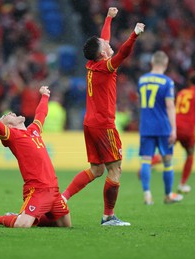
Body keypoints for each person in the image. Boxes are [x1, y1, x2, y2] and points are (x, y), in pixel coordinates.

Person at [61, 7, 145, 226]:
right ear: (103, 54)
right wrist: (134, 34)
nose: (108, 42)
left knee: (97, 169)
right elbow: (123, 54)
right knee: (115, 168)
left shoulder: (92, 65)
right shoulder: (107, 67)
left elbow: (104, 39)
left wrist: (109, 17)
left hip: (90, 122)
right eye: (105, 45)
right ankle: (108, 216)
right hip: (103, 124)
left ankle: (62, 198)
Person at [0, 86, 71, 228]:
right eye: (6, 116)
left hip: (54, 190)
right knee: (22, 225)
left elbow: (41, 113)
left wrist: (45, 96)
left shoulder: (33, 131)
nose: (11, 112)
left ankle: (20, 216)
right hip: (37, 190)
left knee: (64, 225)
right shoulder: (13, 136)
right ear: (8, 126)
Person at [137, 51, 183, 205]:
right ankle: (168, 194)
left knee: (146, 160)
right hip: (163, 126)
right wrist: (174, 129)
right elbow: (170, 106)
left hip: (146, 125)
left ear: (152, 63)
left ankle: (147, 194)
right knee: (167, 161)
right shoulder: (168, 82)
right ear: (166, 64)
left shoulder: (142, 80)